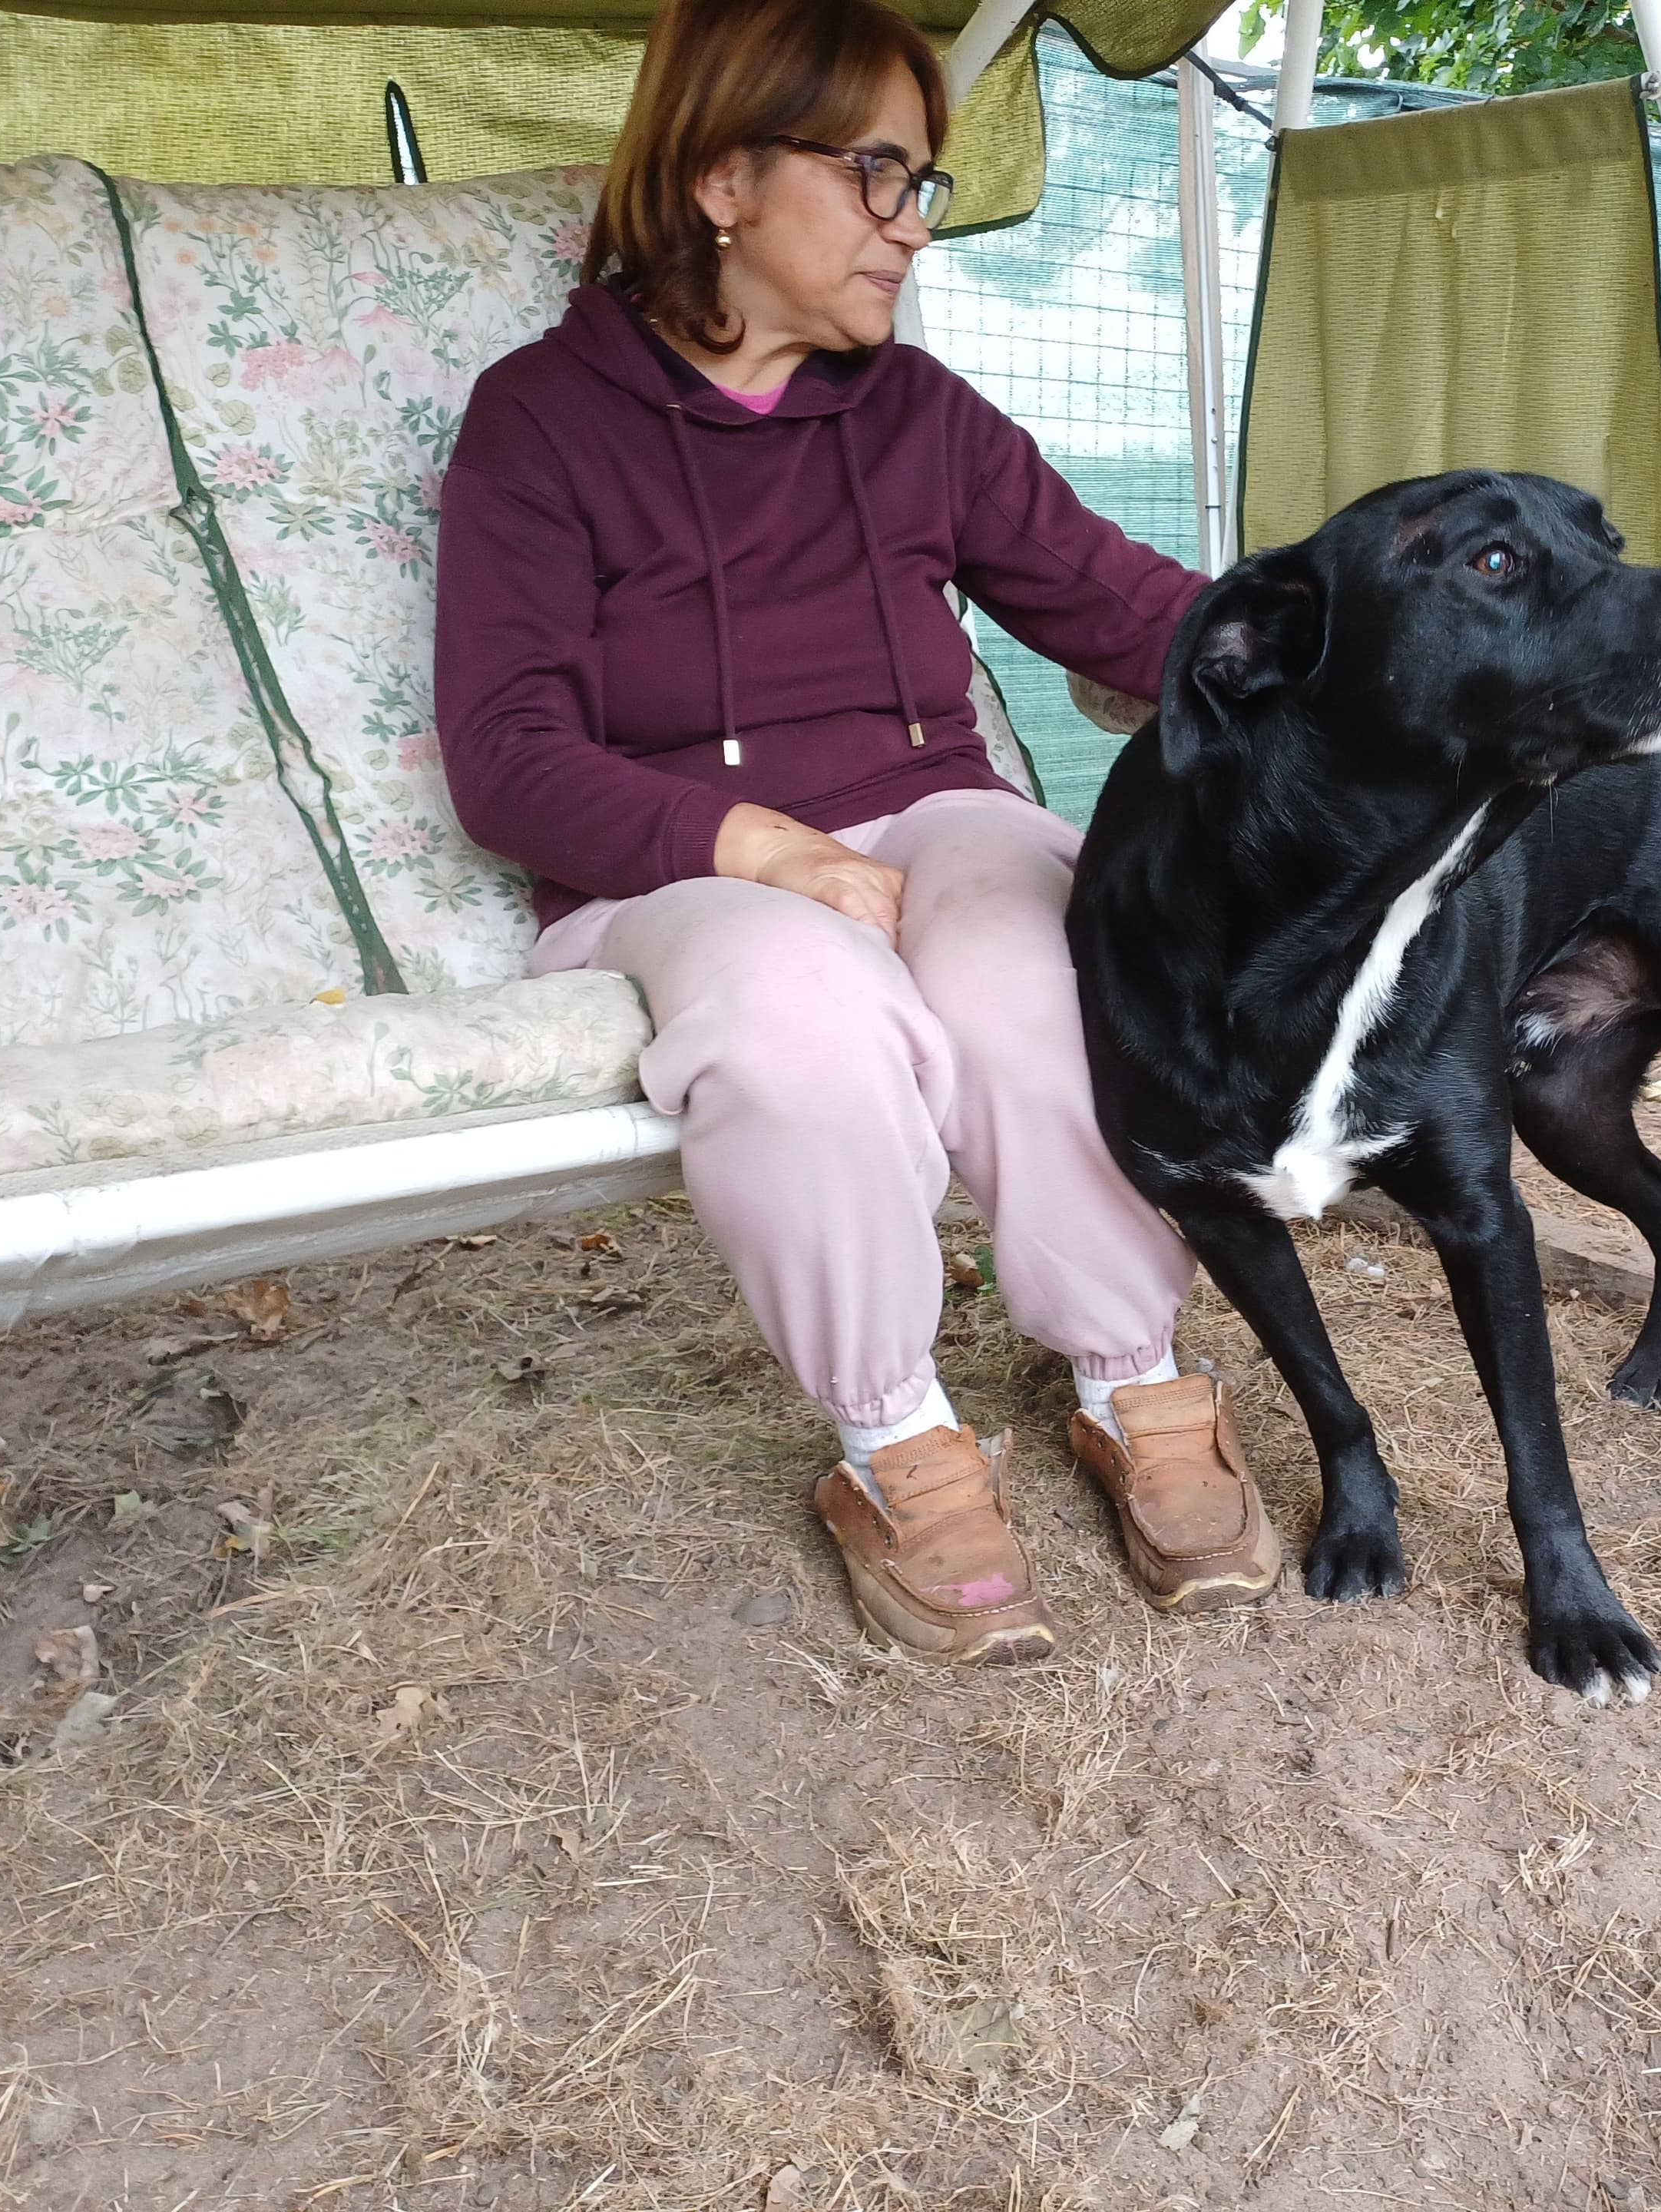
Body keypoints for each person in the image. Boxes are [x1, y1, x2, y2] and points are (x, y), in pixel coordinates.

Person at [435, 0, 1278, 1663]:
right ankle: (895, 1435)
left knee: (1034, 961)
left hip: (928, 808)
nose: (911, 225)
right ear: (723, 178)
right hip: (676, 866)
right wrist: (764, 851)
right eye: (876, 174)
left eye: (923, 184)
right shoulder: (540, 419)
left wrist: (1370, 639)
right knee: (798, 1010)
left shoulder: (917, 415)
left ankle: (1133, 1371)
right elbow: (507, 760)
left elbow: (1128, 609)